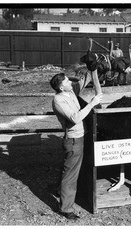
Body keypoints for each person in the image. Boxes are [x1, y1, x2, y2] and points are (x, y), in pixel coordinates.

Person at [49, 69, 103, 221]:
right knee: (71, 174)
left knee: (69, 168)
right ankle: (66, 209)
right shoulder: (59, 100)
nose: (70, 82)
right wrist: (92, 103)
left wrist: (92, 66)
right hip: (73, 140)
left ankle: (60, 190)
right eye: (66, 81)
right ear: (61, 87)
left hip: (80, 136)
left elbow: (84, 80)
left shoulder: (71, 92)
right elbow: (75, 118)